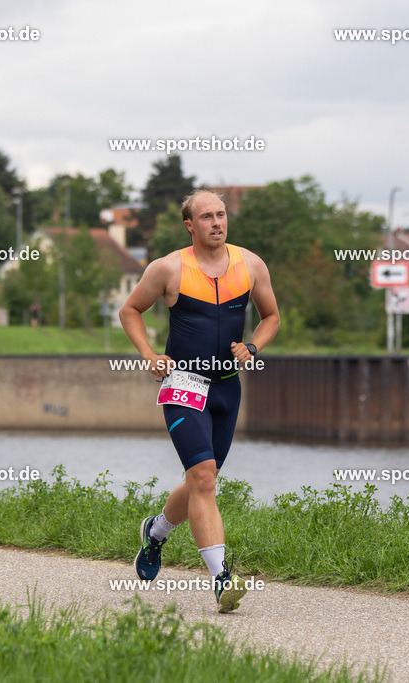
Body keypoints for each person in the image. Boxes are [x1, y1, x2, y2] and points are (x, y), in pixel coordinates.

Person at [119, 189, 279, 613]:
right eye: (207, 216)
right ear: (190, 225)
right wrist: (149, 355)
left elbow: (271, 316)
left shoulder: (251, 264)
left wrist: (253, 347)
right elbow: (130, 310)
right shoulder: (168, 268)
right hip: (184, 385)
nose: (217, 222)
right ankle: (222, 579)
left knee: (199, 481)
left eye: (221, 214)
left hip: (227, 387)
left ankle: (155, 532)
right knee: (204, 479)